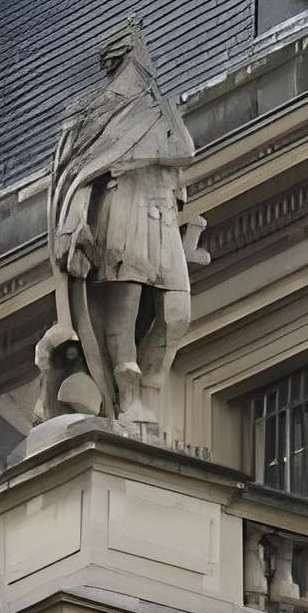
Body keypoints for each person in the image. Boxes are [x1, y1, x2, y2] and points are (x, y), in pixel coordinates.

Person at [38, 22, 199, 434]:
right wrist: (75, 224)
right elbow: (73, 171)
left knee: (177, 315)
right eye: (137, 55)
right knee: (121, 319)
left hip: (160, 215)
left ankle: (148, 389)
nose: (145, 63)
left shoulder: (159, 109)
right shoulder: (92, 110)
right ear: (124, 58)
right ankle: (129, 402)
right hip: (121, 211)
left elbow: (183, 151)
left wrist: (143, 150)